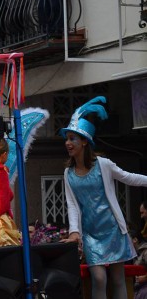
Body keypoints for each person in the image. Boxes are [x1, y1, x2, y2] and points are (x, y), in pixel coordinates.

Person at [59, 96, 147, 299]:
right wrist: (74, 232)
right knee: (98, 278)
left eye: (72, 138)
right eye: (67, 138)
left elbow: (128, 177)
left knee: (117, 279)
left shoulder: (103, 164)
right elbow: (72, 204)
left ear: (84, 142)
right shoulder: (68, 173)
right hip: (91, 235)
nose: (68, 143)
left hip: (113, 230)